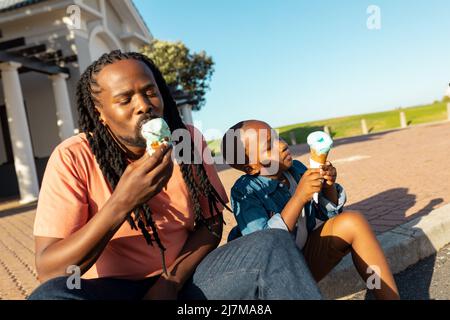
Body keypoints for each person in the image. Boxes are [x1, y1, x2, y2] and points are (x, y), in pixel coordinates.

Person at [28, 51, 322, 300]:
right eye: (125, 99)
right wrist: (122, 202)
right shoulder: (72, 157)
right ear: (99, 112)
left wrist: (168, 284)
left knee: (271, 243)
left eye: (149, 91)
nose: (143, 105)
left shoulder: (188, 141)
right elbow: (50, 269)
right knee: (50, 295)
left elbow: (210, 224)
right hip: (112, 291)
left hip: (189, 283)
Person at [221, 120, 400, 300]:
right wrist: (298, 198)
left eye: (278, 137)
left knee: (353, 222)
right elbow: (264, 247)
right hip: (273, 278)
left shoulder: (296, 170)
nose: (282, 145)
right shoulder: (245, 192)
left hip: (304, 257)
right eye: (269, 146)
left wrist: (328, 186)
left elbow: (325, 214)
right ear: (251, 167)